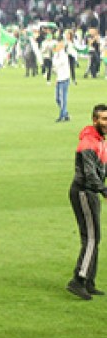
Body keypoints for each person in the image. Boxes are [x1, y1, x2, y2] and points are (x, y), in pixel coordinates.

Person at [66, 104, 107, 300]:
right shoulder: (89, 142)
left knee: (94, 237)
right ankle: (78, 280)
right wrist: (104, 190)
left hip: (91, 192)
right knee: (91, 238)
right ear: (94, 120)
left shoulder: (99, 139)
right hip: (84, 192)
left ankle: (89, 281)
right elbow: (90, 174)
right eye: (104, 119)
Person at [52, 40, 71, 123]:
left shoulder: (63, 55)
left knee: (63, 98)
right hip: (59, 78)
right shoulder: (56, 55)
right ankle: (66, 114)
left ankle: (62, 116)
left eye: (59, 45)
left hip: (64, 78)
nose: (57, 47)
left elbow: (57, 65)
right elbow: (55, 66)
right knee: (57, 99)